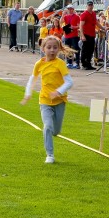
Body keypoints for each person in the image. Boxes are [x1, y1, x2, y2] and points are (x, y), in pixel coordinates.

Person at [20, 35, 74, 164]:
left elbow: (69, 82)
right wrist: (28, 94)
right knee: (47, 126)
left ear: (59, 49)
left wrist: (58, 92)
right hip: (44, 100)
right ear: (43, 49)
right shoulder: (39, 64)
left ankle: (53, 133)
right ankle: (50, 154)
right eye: (49, 47)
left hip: (60, 101)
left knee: (56, 131)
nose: (52, 50)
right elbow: (32, 79)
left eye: (55, 48)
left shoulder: (60, 64)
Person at [78, 1, 98, 70]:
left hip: (92, 34)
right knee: (85, 50)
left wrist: (103, 28)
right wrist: (82, 35)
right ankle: (84, 63)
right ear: (87, 6)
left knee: (91, 50)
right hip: (86, 34)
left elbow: (96, 23)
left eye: (91, 5)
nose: (90, 6)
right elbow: (81, 25)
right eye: (89, 5)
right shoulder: (84, 14)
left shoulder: (94, 14)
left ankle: (88, 63)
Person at [62, 4, 80, 68]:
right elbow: (61, 22)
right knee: (68, 49)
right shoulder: (66, 17)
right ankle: (69, 63)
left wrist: (74, 27)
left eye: (71, 9)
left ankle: (77, 63)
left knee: (75, 49)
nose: (70, 10)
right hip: (67, 35)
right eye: (69, 9)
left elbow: (79, 26)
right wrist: (63, 15)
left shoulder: (77, 16)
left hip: (74, 35)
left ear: (73, 9)